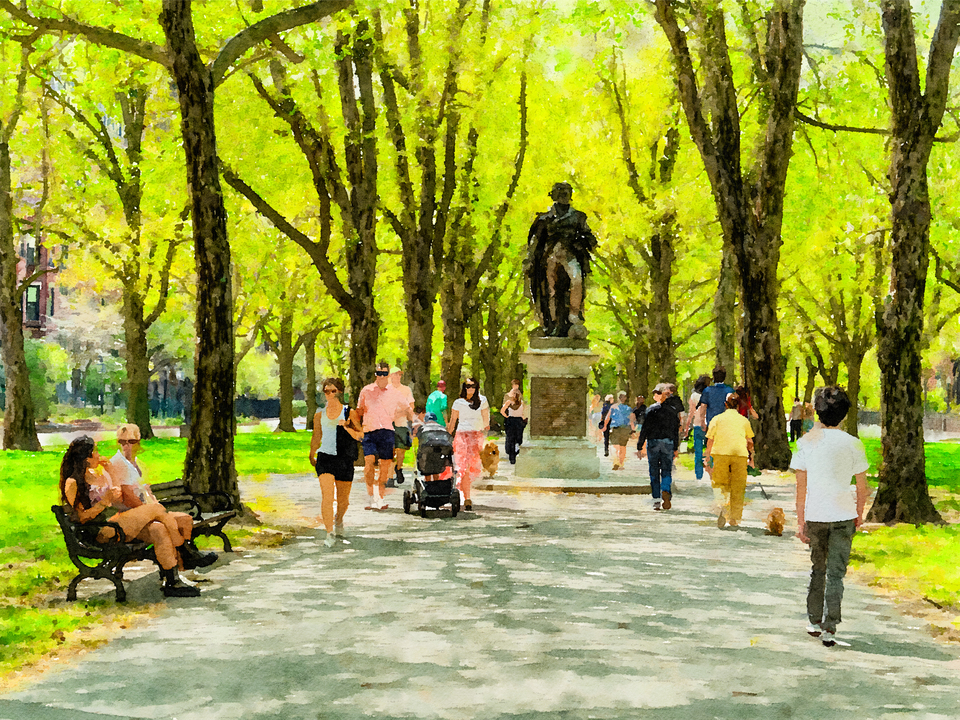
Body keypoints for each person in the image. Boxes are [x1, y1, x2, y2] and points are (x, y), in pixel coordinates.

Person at [59, 436, 200, 598]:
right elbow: (81, 518)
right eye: (95, 451)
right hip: (96, 531)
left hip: (114, 523)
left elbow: (117, 499)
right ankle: (185, 551)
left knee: (158, 529)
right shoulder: (73, 482)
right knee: (155, 509)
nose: (99, 455)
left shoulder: (96, 475)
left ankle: (172, 582)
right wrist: (104, 502)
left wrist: (112, 473)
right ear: (86, 458)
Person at [791, 386, 869, 648]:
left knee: (818, 569)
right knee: (837, 573)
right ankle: (830, 626)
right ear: (844, 414)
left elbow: (801, 487)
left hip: (815, 514)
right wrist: (859, 514)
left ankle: (813, 620)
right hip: (844, 514)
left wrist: (800, 521)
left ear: (816, 412)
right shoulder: (853, 444)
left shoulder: (805, 443)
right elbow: (862, 486)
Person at [106, 424, 216, 569]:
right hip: (129, 516)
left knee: (185, 520)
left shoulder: (138, 464)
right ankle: (186, 556)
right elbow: (128, 498)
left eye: (131, 442)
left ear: (139, 441)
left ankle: (185, 563)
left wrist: (154, 506)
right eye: (122, 442)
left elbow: (147, 492)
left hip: (146, 511)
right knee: (162, 528)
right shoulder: (118, 464)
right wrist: (152, 512)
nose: (127, 446)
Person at [525, 181, 597, 338]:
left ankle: (574, 313)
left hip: (570, 255)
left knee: (577, 280)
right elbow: (535, 242)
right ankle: (552, 320)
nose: (563, 197)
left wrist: (579, 242)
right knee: (550, 289)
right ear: (554, 197)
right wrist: (530, 260)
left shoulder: (578, 217)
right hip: (551, 256)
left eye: (566, 193)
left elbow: (591, 238)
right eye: (560, 194)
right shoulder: (544, 219)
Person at [309, 377, 364, 547]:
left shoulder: (349, 412)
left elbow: (361, 435)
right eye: (326, 391)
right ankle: (329, 532)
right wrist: (312, 453)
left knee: (343, 500)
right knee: (327, 496)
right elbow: (316, 435)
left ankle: (338, 518)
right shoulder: (319, 415)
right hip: (325, 457)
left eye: (333, 391)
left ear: (339, 391)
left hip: (344, 458)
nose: (330, 394)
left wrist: (347, 427)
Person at [357, 360, 415, 511]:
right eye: (379, 373)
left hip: (387, 431)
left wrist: (415, 424)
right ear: (375, 374)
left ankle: (379, 498)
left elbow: (408, 409)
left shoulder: (395, 393)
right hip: (369, 431)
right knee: (369, 463)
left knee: (384, 467)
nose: (381, 376)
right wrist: (358, 428)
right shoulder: (366, 390)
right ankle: (371, 497)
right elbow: (359, 410)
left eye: (384, 374)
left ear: (388, 375)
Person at [705, 393, 755, 529]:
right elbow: (749, 441)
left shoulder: (717, 419)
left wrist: (707, 456)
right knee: (738, 486)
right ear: (738, 406)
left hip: (721, 454)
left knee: (721, 483)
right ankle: (734, 518)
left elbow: (710, 440)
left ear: (725, 405)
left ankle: (723, 507)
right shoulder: (744, 420)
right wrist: (751, 457)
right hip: (739, 455)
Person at [636, 384, 681, 511]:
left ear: (660, 395)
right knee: (666, 470)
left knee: (654, 471)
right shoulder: (672, 411)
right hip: (668, 442)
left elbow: (645, 429)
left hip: (653, 442)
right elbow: (675, 430)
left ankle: (656, 499)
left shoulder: (650, 410)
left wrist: (640, 445)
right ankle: (666, 490)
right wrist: (676, 447)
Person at [449, 377, 490, 511]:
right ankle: (467, 498)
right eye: (467, 386)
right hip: (462, 435)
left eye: (472, 386)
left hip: (476, 437)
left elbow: (486, 421)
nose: (470, 389)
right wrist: (446, 435)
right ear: (464, 387)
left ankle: (464, 493)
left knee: (472, 467)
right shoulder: (458, 402)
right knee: (463, 466)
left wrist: (484, 431)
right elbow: (452, 422)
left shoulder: (482, 401)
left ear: (477, 387)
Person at [389, 367, 416, 486]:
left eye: (399, 374)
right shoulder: (385, 390)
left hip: (402, 424)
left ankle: (398, 468)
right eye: (394, 374)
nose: (397, 376)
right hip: (387, 424)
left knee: (400, 451)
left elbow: (411, 406)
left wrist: (402, 413)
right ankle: (389, 477)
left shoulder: (406, 390)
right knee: (389, 451)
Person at [684, 375, 710, 480]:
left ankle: (699, 475)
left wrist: (687, 427)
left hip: (697, 425)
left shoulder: (694, 396)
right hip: (709, 425)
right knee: (710, 450)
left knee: (698, 451)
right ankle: (711, 472)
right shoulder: (709, 394)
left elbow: (691, 413)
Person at [601, 391, 635, 471]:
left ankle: (620, 463)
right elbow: (608, 417)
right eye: (620, 397)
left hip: (624, 429)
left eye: (623, 397)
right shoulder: (613, 407)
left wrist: (633, 430)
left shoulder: (628, 408)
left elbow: (631, 419)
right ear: (618, 398)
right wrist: (605, 426)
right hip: (615, 429)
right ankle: (616, 462)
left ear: (625, 398)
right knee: (615, 446)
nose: (622, 398)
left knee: (622, 447)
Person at [501, 379, 527, 465]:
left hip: (517, 420)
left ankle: (515, 453)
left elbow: (523, 409)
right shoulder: (507, 396)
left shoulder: (521, 398)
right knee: (511, 438)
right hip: (511, 419)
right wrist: (507, 416)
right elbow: (503, 408)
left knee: (518, 437)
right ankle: (511, 454)